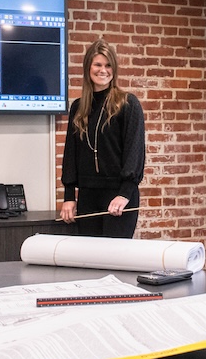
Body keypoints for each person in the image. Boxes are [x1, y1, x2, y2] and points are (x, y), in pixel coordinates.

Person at [60, 39, 145, 238]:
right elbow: (71, 153)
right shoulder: (78, 107)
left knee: (115, 260)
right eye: (98, 64)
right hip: (88, 196)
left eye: (108, 65)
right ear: (88, 67)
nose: (103, 70)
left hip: (119, 196)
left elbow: (135, 151)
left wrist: (125, 193)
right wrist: (69, 196)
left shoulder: (128, 104)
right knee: (89, 261)